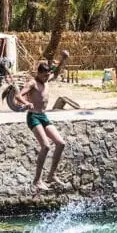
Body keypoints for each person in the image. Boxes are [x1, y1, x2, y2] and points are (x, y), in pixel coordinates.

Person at [14, 50, 70, 191]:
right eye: (44, 76)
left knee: (61, 143)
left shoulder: (47, 78)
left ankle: (51, 175)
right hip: (33, 116)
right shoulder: (32, 83)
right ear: (38, 73)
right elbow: (18, 95)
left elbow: (56, 70)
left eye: (47, 75)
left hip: (43, 116)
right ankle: (37, 180)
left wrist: (63, 58)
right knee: (46, 146)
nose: (46, 78)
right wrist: (26, 103)